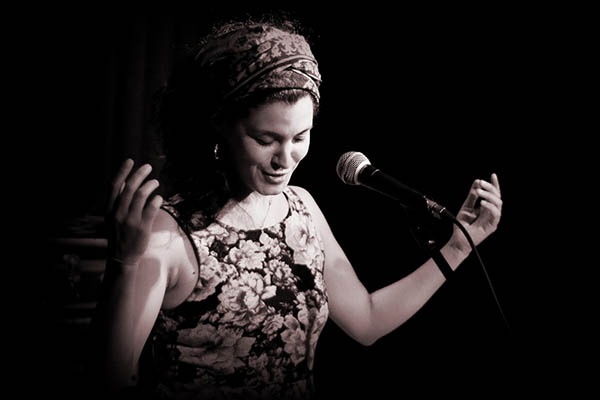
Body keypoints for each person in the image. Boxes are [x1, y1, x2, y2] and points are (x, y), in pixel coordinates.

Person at [87, 13, 503, 400]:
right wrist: (124, 263)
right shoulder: (170, 233)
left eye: (300, 137)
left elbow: (367, 321)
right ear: (220, 126)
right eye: (266, 140)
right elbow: (110, 378)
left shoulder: (301, 208)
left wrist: (459, 246)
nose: (285, 159)